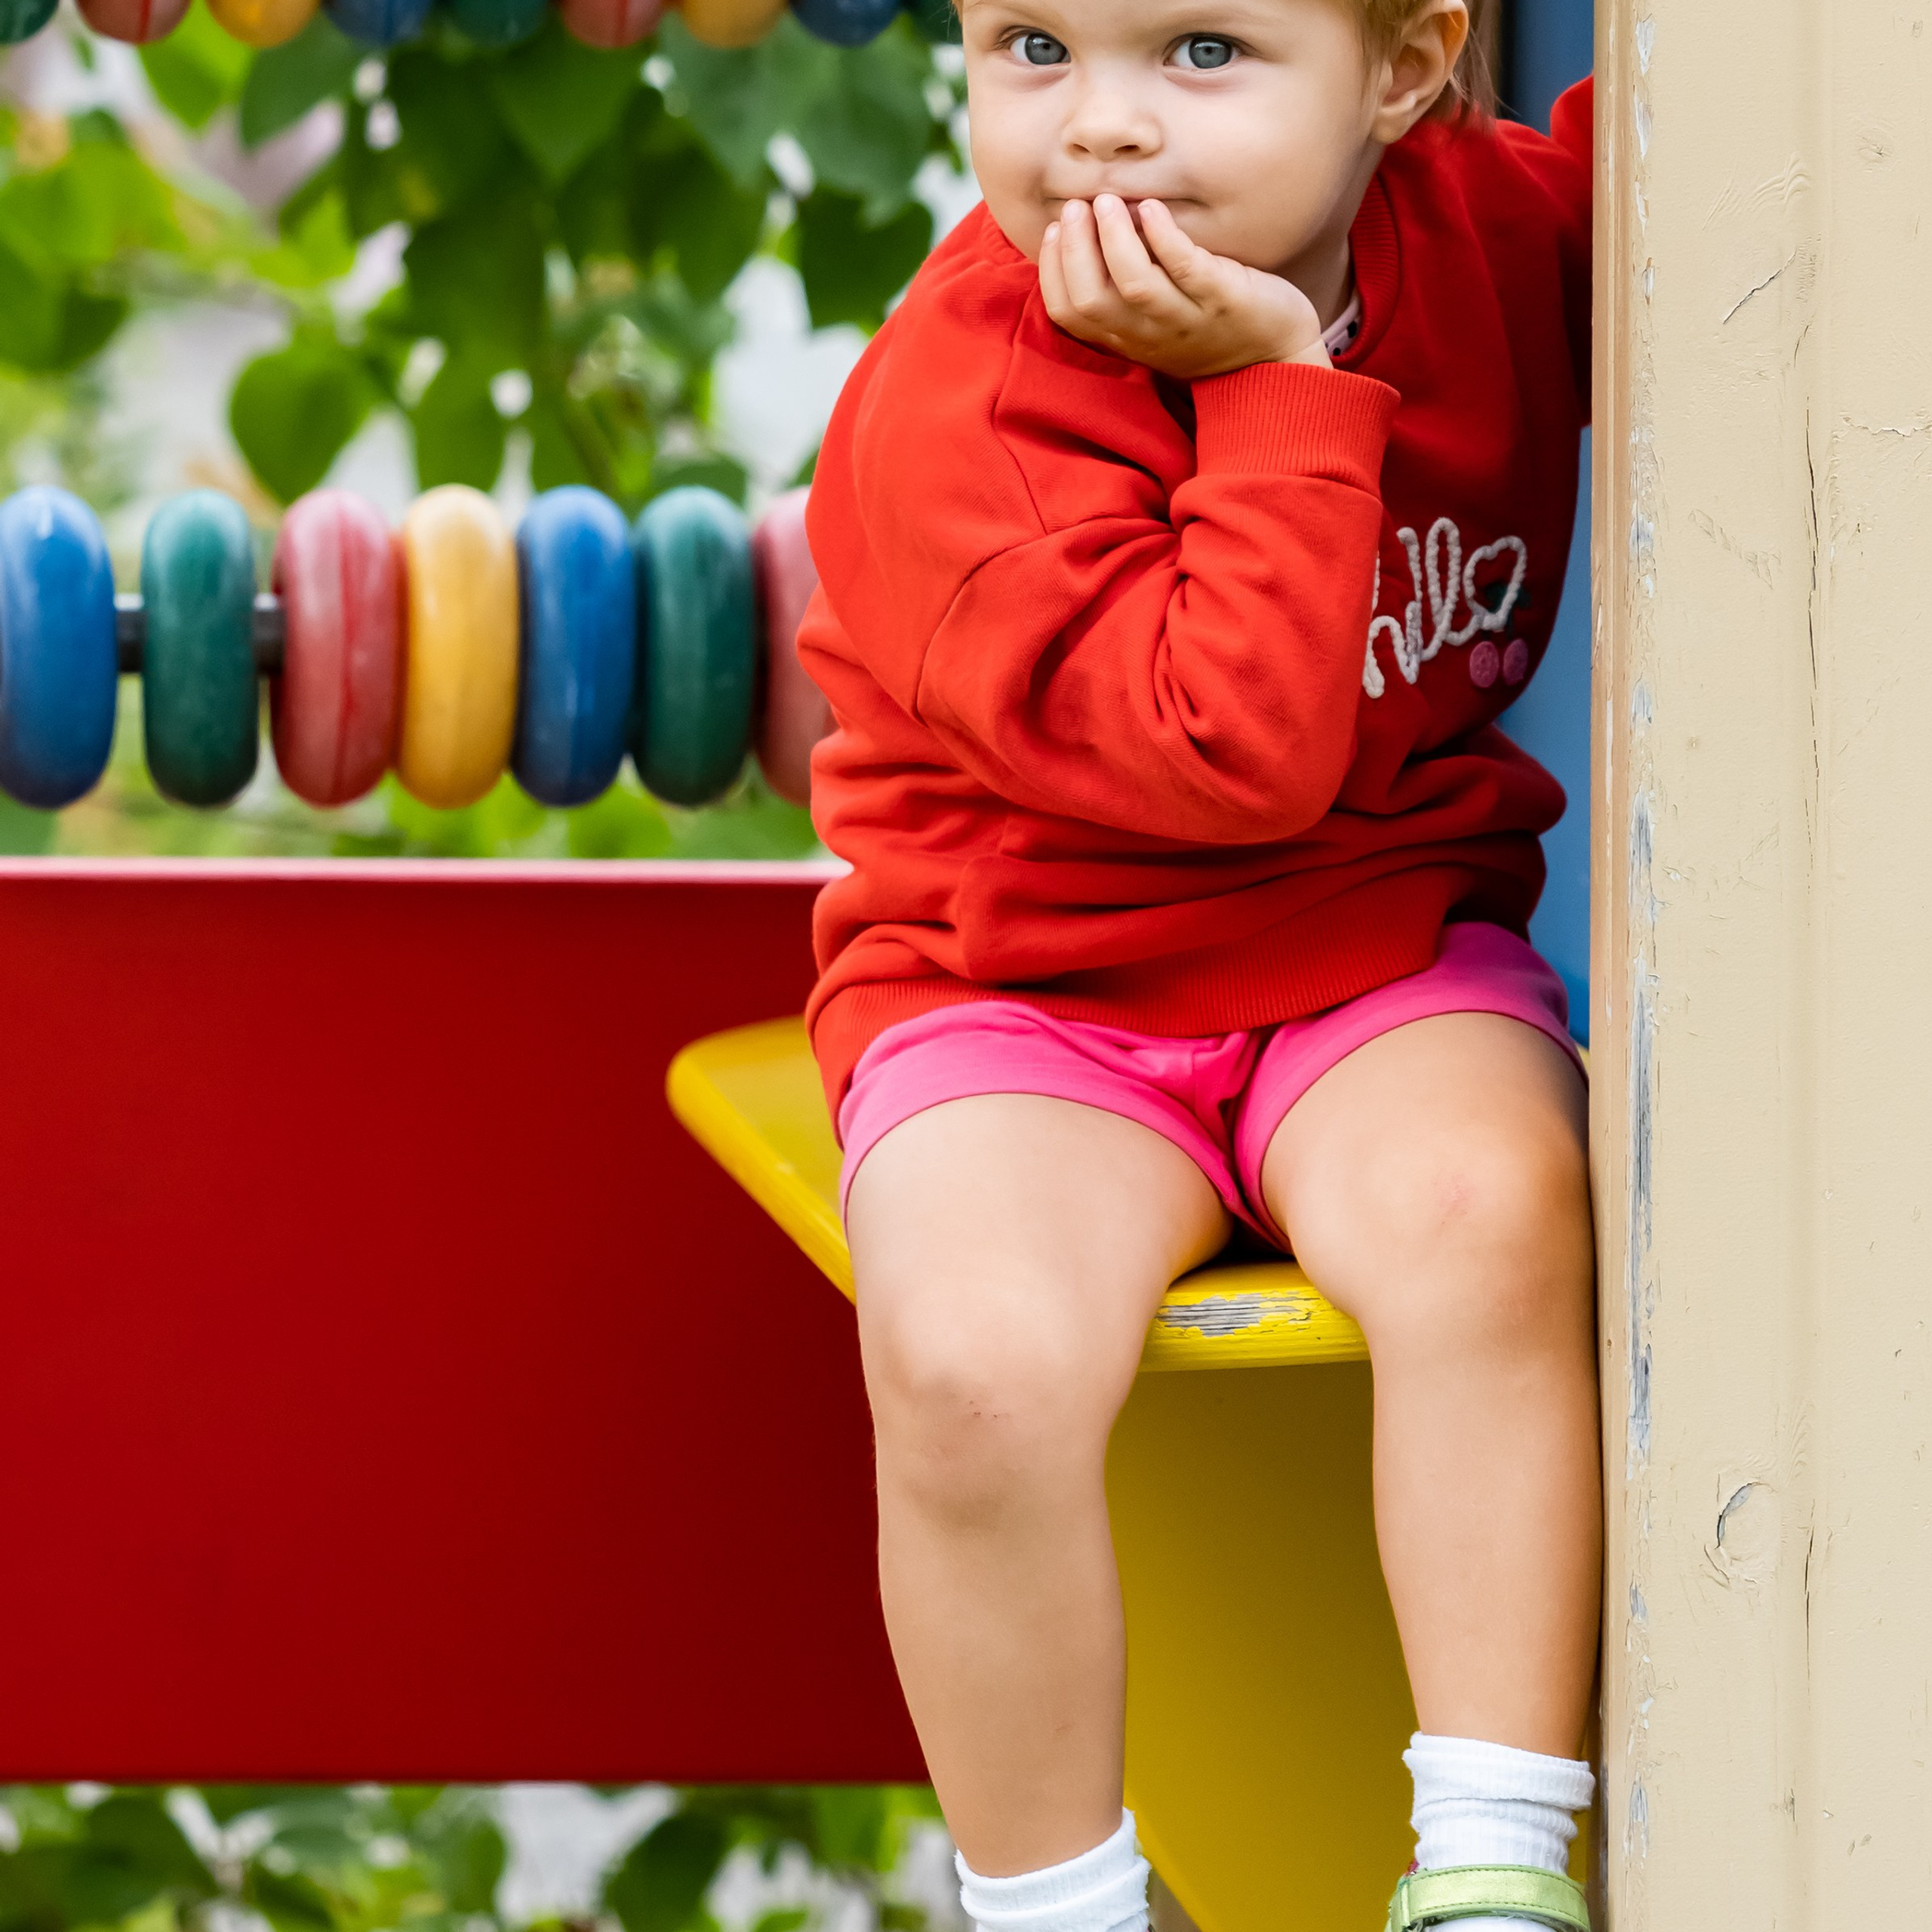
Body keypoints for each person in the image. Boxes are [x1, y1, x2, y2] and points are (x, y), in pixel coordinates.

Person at [798, 0, 1598, 1925]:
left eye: (1202, 52)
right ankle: (1058, 1898)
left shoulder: (1487, 232)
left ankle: (1490, 1857)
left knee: (1492, 1210)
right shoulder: (955, 407)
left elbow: (1729, 178)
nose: (1101, 128)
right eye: (1032, 49)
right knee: (969, 1358)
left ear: (1400, 75)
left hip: (1368, 951)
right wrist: (1276, 389)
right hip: (1022, 989)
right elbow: (1221, 759)